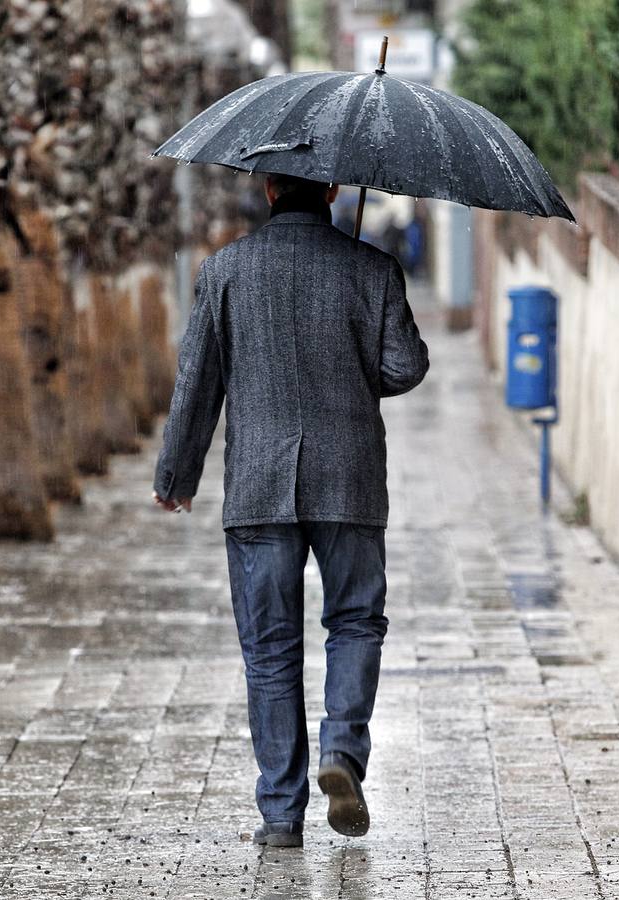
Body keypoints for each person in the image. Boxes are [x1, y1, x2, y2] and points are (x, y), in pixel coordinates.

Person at [151, 173, 430, 849]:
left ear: (267, 189)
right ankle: (342, 749)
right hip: (350, 481)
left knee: (270, 651)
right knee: (356, 620)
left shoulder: (224, 272)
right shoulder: (374, 268)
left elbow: (198, 383)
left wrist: (176, 474)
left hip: (258, 487)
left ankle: (281, 815)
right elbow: (405, 367)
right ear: (332, 189)